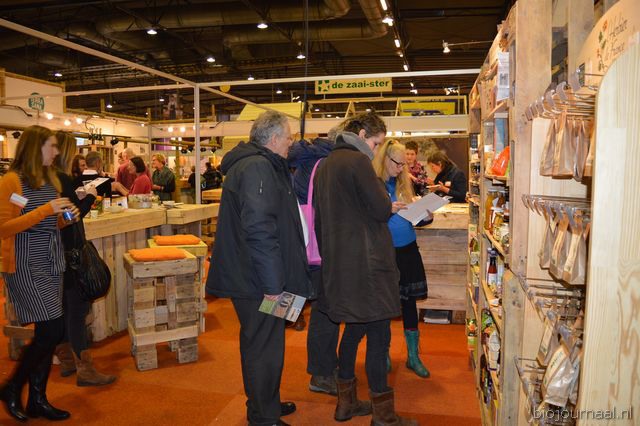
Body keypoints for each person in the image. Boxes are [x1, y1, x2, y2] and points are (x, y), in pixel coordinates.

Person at [205, 110, 312, 426]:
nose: (291, 143)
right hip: (259, 282)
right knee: (263, 347)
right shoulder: (257, 167)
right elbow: (260, 230)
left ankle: (267, 404)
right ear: (274, 138)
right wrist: (273, 286)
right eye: (289, 137)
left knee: (269, 343)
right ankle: (263, 416)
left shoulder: (262, 165)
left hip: (262, 277)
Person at [314, 112, 417, 424]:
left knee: (352, 331)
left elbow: (322, 217)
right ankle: (384, 416)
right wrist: (388, 205)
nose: (376, 150)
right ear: (361, 134)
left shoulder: (327, 164)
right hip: (368, 266)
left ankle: (345, 404)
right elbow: (380, 208)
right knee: (378, 336)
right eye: (375, 143)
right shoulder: (358, 162)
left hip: (342, 265)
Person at [0, 125, 77, 421]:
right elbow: (5, 227)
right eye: (52, 146)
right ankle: (12, 386)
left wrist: (66, 218)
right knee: (53, 329)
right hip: (24, 264)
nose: (56, 152)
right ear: (36, 147)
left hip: (51, 261)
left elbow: (49, 224)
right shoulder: (12, 182)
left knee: (48, 331)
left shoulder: (49, 180)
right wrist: (46, 210)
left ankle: (37, 399)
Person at [53, 132, 117, 387]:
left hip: (58, 252)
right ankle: (84, 368)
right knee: (76, 309)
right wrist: (89, 197)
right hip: (72, 251)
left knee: (65, 308)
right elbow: (70, 216)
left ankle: (68, 361)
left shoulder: (47, 179)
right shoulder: (61, 179)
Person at [373, 140, 431, 379]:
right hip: (385, 251)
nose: (400, 168)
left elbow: (414, 217)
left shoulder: (403, 182)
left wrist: (425, 215)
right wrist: (388, 209)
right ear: (385, 159)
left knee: (409, 304)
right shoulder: (374, 183)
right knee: (385, 304)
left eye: (403, 165)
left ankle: (413, 356)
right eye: (397, 163)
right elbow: (367, 217)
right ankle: (383, 353)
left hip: (408, 249)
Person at [288, 133, 339, 395]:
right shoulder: (324, 164)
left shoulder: (304, 162)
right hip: (319, 250)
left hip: (300, 247)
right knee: (325, 313)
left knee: (317, 310)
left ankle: (323, 369)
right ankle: (321, 373)